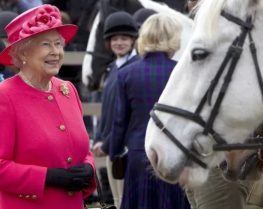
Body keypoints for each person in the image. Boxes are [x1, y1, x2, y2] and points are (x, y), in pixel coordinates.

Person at [0, 4, 96, 209]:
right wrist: (47, 177)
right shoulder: (4, 96)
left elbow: (82, 148)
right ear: (23, 53)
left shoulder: (68, 90)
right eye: (46, 44)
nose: (56, 52)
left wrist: (89, 167)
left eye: (58, 44)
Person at [109, 13, 190, 209]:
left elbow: (119, 122)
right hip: (174, 156)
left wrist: (114, 155)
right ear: (173, 37)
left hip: (138, 154)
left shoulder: (126, 73)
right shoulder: (182, 72)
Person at [92, 11, 140, 209]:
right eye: (115, 39)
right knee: (117, 200)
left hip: (125, 147)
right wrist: (98, 138)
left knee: (125, 201)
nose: (119, 42)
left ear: (133, 41)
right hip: (111, 146)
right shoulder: (112, 69)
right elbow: (106, 110)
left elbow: (127, 115)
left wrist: (108, 143)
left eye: (124, 38)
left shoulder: (134, 68)